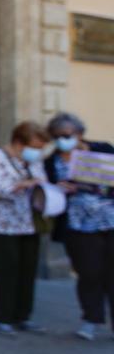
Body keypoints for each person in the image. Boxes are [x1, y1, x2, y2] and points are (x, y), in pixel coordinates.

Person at [44, 112, 114, 341]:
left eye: (66, 135)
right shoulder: (51, 161)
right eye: (56, 136)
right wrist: (59, 188)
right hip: (78, 225)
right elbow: (49, 190)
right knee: (89, 273)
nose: (61, 139)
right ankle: (91, 319)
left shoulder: (102, 149)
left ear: (79, 133)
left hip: (110, 219)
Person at [0, 122, 50, 335]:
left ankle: (23, 316)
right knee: (7, 270)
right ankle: (2, 318)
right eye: (35, 147)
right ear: (19, 142)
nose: (37, 152)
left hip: (30, 223)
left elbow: (42, 180)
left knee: (27, 271)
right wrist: (22, 185)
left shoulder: (34, 160)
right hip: (4, 224)